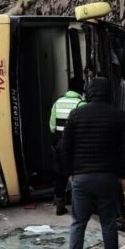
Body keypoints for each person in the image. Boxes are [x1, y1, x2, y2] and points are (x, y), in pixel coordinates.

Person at [61, 77, 125, 249]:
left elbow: (66, 147)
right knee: (108, 221)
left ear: (89, 92)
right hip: (108, 177)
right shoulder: (119, 116)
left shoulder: (76, 115)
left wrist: (69, 172)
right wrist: (121, 172)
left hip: (81, 177)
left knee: (78, 222)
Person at [49, 81, 84, 215]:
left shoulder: (57, 103)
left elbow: (52, 127)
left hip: (60, 144)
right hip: (76, 144)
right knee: (78, 174)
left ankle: (59, 204)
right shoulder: (81, 104)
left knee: (61, 174)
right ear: (81, 91)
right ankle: (79, 205)